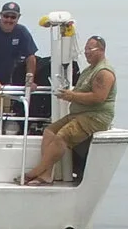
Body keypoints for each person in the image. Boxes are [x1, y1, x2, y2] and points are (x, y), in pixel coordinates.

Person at [23, 33, 117, 185]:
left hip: (96, 116)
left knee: (62, 136)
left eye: (90, 49)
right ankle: (46, 174)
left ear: (101, 50)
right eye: (85, 49)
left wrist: (71, 96)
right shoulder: (89, 70)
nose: (86, 52)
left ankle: (36, 171)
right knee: (49, 131)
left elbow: (99, 97)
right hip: (79, 114)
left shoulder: (103, 72)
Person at [0, 1, 42, 132]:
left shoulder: (22, 31)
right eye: (6, 16)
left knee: (14, 115)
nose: (9, 20)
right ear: (1, 16)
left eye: (13, 17)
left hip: (9, 80)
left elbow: (31, 57)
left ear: (18, 18)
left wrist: (30, 81)